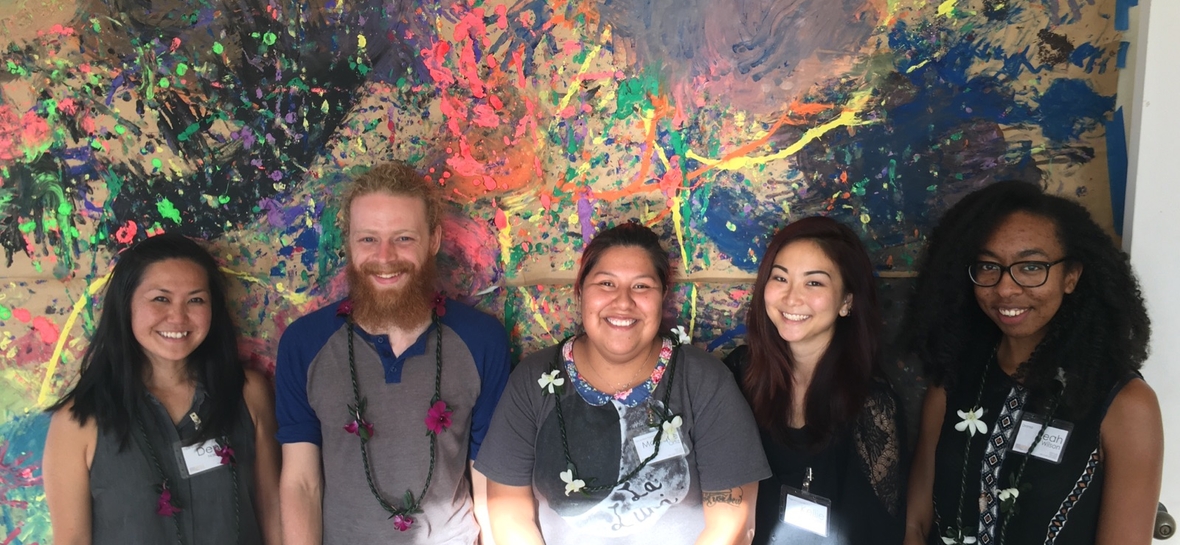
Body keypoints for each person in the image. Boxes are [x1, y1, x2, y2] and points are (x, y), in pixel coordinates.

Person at [476, 221, 771, 544]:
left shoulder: (704, 380)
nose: (623, 302)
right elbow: (509, 514)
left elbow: (731, 525)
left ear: (663, 296)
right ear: (580, 291)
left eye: (642, 286)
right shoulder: (533, 379)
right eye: (606, 283)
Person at [901, 180, 1163, 545]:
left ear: (1071, 276)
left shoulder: (1125, 404)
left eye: (1031, 267)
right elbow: (916, 524)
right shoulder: (952, 380)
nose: (1005, 288)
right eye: (988, 266)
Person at [274, 161, 512, 544]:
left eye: (403, 238)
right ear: (348, 243)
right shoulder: (304, 343)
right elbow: (302, 483)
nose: (384, 257)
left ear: (433, 240)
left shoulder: (482, 339)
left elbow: (490, 486)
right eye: (368, 239)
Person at [43, 232, 282, 544]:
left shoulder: (248, 394)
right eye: (161, 299)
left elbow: (272, 510)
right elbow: (72, 539)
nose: (178, 317)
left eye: (196, 300)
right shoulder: (77, 421)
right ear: (126, 304)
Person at [723, 216, 905, 544]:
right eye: (780, 278)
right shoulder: (740, 373)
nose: (791, 298)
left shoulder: (871, 404)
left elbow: (879, 530)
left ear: (847, 301)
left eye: (814, 283)